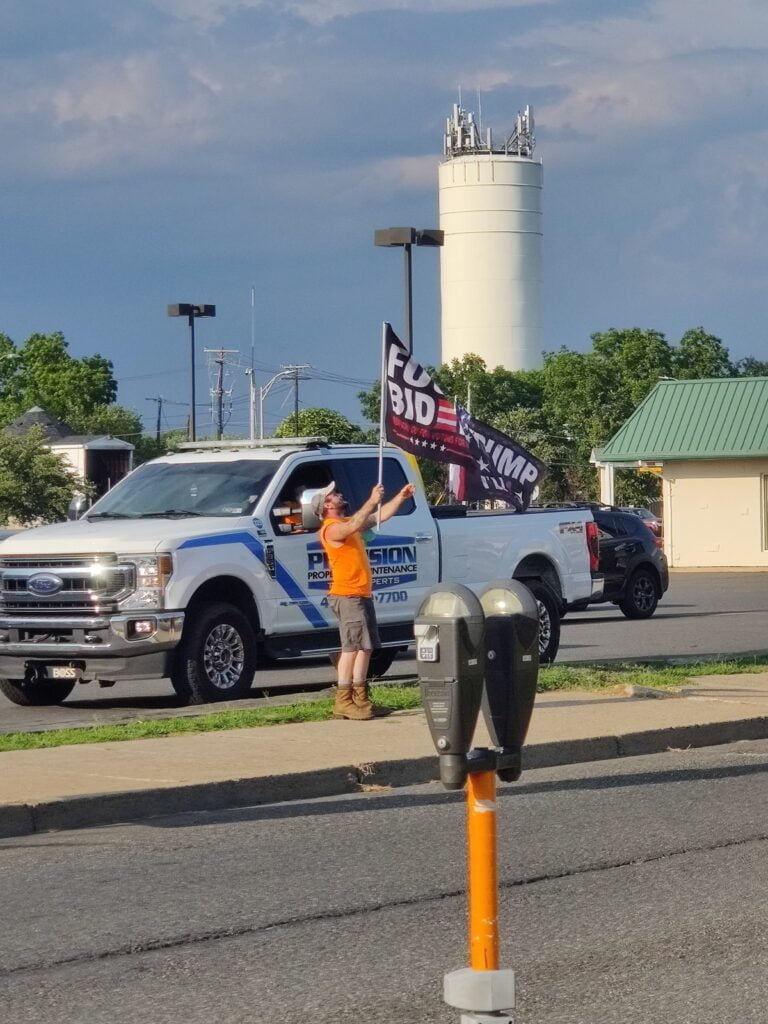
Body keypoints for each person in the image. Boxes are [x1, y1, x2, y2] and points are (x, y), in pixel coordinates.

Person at [312, 479, 416, 720]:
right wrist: (370, 500)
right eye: (334, 494)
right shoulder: (330, 528)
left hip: (360, 595)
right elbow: (355, 524)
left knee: (366, 647)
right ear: (327, 505)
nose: (338, 495)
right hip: (347, 596)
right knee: (351, 648)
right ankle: (344, 701)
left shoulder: (348, 522)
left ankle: (361, 698)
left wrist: (400, 497)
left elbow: (379, 517)